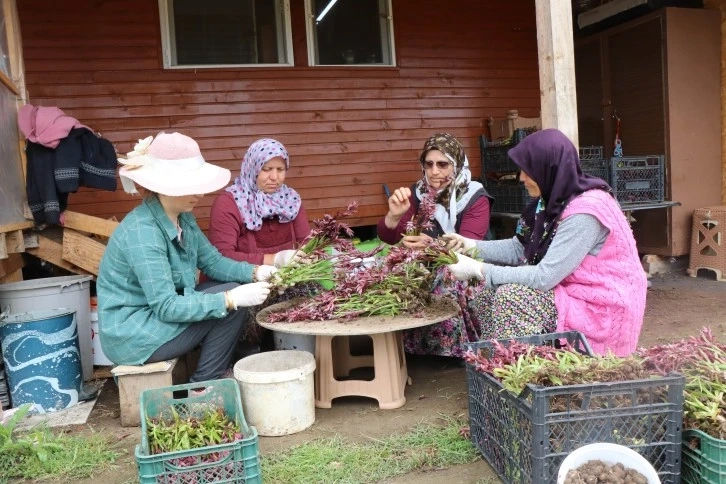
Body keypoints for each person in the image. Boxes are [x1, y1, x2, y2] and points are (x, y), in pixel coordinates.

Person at [444, 129, 647, 356]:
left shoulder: (586, 212)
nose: (521, 177)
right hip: (568, 293)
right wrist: (470, 246)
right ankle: (496, 369)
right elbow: (519, 247)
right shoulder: (547, 203)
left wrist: (479, 270)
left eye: (528, 171)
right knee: (486, 296)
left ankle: (521, 376)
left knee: (511, 297)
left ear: (548, 169)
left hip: (600, 307)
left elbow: (544, 277)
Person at [97, 132, 278, 383]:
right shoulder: (144, 232)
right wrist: (229, 299)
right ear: (165, 186)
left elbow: (212, 262)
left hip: (154, 318)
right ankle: (204, 386)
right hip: (135, 333)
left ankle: (209, 375)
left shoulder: (182, 217)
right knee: (232, 305)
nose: (200, 194)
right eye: (192, 186)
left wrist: (256, 272)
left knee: (227, 290)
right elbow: (167, 306)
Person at [377, 132, 494, 357]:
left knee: (446, 278)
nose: (434, 171)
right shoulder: (418, 192)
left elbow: (467, 246)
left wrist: (433, 245)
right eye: (428, 164)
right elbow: (389, 237)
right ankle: (407, 347)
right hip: (426, 263)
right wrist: (393, 217)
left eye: (442, 164)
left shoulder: (474, 196)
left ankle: (450, 349)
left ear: (457, 165)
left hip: (464, 265)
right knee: (390, 271)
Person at [207, 138, 315, 350]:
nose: (274, 177)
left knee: (313, 296)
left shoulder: (290, 200)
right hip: (243, 280)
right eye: (266, 169)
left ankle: (301, 353)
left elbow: (306, 241)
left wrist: (309, 256)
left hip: (282, 279)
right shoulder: (230, 203)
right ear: (252, 167)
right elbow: (221, 257)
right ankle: (246, 355)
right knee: (249, 313)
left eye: (280, 169)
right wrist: (273, 260)